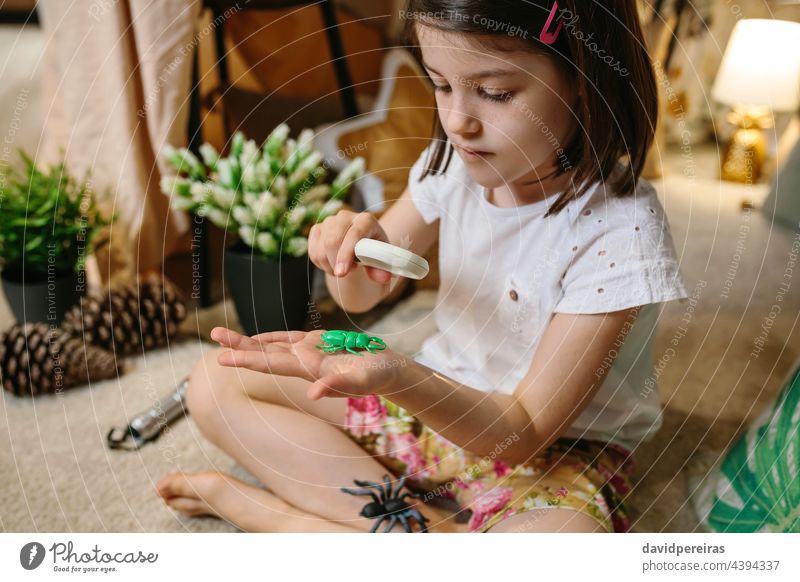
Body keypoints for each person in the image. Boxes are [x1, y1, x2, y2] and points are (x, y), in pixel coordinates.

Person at [156, 0, 689, 533]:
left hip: (559, 451)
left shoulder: (622, 232)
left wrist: (399, 376)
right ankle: (432, 530)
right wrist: (348, 253)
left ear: (583, 79)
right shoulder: (452, 167)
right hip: (436, 408)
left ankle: (275, 518)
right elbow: (363, 297)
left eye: (495, 93)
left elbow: (525, 430)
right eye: (441, 84)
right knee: (215, 385)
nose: (458, 121)